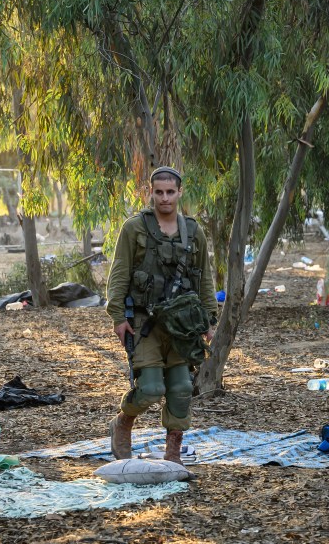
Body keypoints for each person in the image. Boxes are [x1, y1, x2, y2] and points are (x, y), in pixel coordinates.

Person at [106, 166, 218, 464]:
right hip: (145, 323)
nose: (165, 198)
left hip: (182, 327)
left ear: (180, 192)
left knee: (181, 388)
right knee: (151, 389)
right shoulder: (134, 229)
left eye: (170, 192)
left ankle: (173, 453)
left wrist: (209, 319)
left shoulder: (194, 232)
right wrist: (118, 317)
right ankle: (124, 422)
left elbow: (204, 278)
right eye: (159, 192)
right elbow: (119, 274)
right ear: (150, 193)